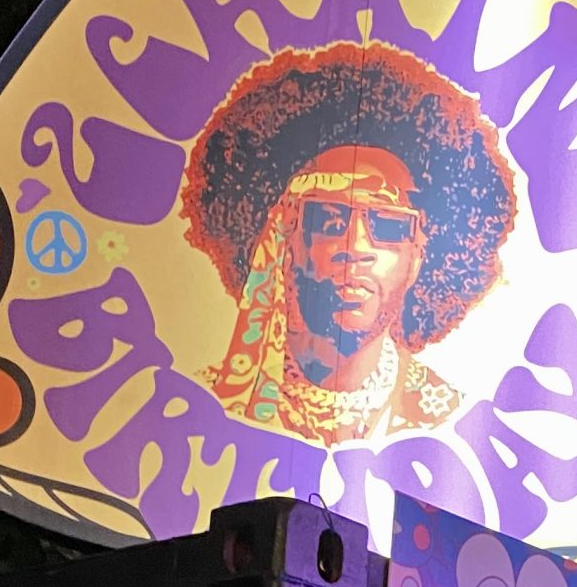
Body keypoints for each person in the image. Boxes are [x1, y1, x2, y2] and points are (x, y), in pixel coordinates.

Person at [180, 42, 518, 449]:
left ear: (418, 257)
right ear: (283, 241)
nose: (355, 246)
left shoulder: (448, 424)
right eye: (329, 221)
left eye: (387, 227)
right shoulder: (205, 406)